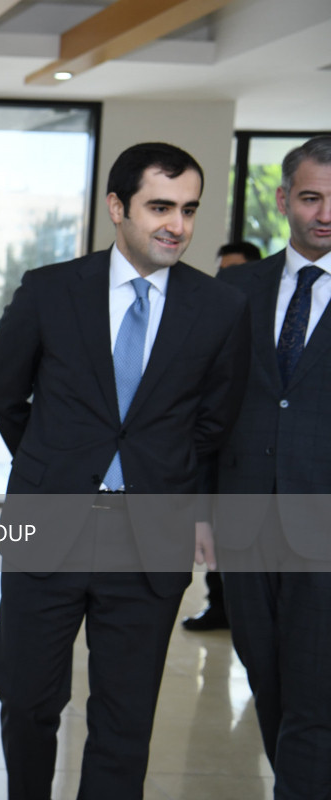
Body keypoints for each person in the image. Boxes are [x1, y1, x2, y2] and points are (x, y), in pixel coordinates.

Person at [0, 142, 251, 800]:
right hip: (49, 526)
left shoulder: (219, 309)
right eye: (160, 206)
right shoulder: (50, 291)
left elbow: (216, 421)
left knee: (125, 718)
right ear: (117, 207)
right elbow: (4, 396)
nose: (177, 225)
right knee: (27, 699)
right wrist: (59, 466)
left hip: (149, 535)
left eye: (188, 209)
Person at [214, 135, 331, 799]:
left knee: (316, 695)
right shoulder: (235, 291)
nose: (324, 214)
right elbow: (205, 406)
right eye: (310, 197)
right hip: (246, 525)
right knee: (268, 678)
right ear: (284, 199)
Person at [180, 238, 265, 633]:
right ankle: (219, 605)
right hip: (212, 448)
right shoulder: (210, 318)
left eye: (234, 271)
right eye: (221, 270)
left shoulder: (263, 319)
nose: (226, 279)